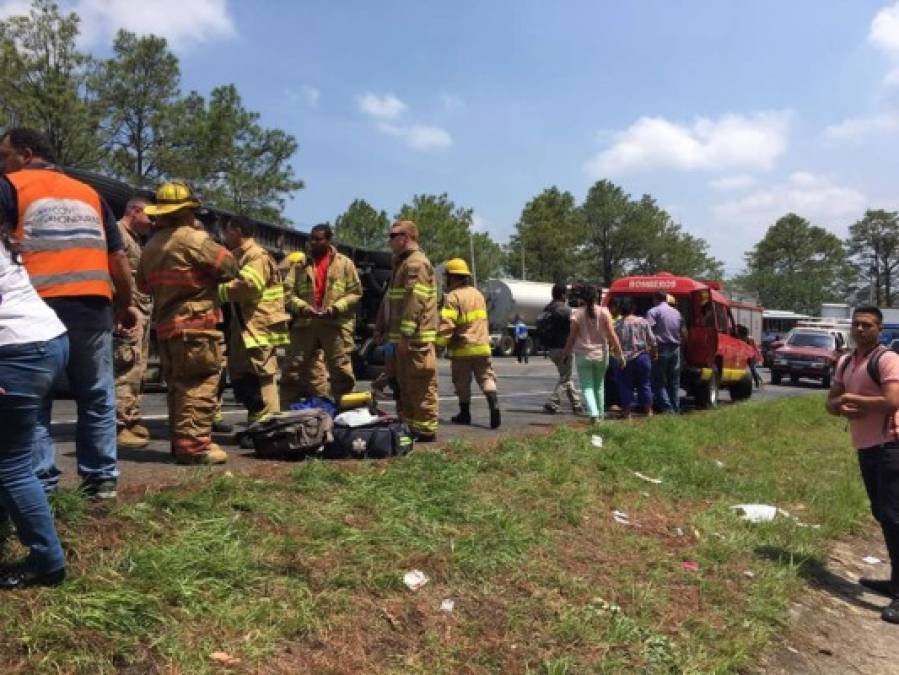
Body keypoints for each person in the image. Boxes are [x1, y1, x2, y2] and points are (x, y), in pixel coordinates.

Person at [0, 128, 137, 499]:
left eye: (4, 156)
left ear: (25, 154)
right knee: (96, 395)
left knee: (36, 399)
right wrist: (125, 303)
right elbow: (118, 257)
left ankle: (43, 485)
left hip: (35, 308)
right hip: (91, 306)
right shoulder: (89, 193)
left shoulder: (10, 186)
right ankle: (101, 480)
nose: (1, 164)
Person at [137, 182, 238, 465]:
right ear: (186, 211)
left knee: (178, 386)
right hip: (196, 325)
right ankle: (195, 448)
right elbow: (230, 267)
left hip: (167, 327)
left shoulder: (151, 246)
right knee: (200, 385)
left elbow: (143, 286)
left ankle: (181, 443)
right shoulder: (194, 240)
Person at [0, 222, 68, 589]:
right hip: (44, 342)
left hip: (17, 352)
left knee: (9, 466)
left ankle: (47, 562)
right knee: (12, 453)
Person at [827, 306, 899, 624]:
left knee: (895, 518)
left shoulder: (886, 359)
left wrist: (852, 401)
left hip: (890, 447)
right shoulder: (846, 361)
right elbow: (831, 401)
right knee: (884, 515)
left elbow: (892, 401)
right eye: (855, 324)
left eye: (867, 325)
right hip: (867, 447)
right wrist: (841, 406)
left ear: (879, 329)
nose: (859, 329)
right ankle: (895, 581)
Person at [218, 216, 289, 425]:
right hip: (245, 325)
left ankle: (268, 426)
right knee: (243, 374)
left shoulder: (256, 255)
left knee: (262, 373)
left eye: (227, 231)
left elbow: (250, 285)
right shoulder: (239, 255)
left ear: (238, 231)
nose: (224, 236)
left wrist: (217, 292)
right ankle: (258, 422)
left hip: (258, 326)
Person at [281, 223, 362, 406]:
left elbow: (355, 293)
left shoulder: (344, 264)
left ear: (328, 240)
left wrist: (336, 308)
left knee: (341, 372)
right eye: (311, 239)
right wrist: (302, 307)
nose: (313, 243)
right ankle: (285, 412)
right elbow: (287, 292)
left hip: (334, 324)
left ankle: (347, 413)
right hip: (306, 323)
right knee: (292, 369)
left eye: (318, 239)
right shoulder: (300, 265)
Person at [381, 220, 438, 441]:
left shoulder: (416, 264)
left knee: (420, 386)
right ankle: (410, 427)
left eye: (392, 235)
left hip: (415, 340)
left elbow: (416, 301)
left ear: (405, 237)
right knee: (404, 386)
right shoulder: (401, 264)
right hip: (401, 340)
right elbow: (391, 300)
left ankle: (425, 431)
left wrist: (405, 335)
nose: (389, 239)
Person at [437, 258, 500, 428]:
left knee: (462, 383)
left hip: (462, 348)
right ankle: (493, 403)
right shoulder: (478, 294)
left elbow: (447, 326)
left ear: (452, 277)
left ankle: (465, 414)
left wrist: (438, 346)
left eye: (446, 277)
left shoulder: (452, 297)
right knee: (486, 377)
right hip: (482, 346)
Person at [114, 197, 154, 449]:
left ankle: (131, 417)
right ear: (135, 211)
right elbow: (114, 273)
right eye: (150, 217)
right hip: (127, 312)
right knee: (125, 365)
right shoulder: (118, 234)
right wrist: (122, 308)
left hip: (140, 311)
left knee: (138, 366)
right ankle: (118, 425)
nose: (152, 223)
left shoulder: (135, 239)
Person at [562, 285, 623, 425]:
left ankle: (593, 414)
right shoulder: (605, 312)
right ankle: (600, 416)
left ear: (582, 298)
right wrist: (620, 354)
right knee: (599, 386)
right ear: (597, 297)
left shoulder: (577, 313)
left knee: (587, 387)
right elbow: (612, 335)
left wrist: (565, 353)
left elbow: (571, 337)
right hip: (601, 354)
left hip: (583, 355)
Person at [277, 250, 328, 397]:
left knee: (311, 368)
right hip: (301, 324)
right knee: (308, 369)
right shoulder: (298, 265)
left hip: (306, 324)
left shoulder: (299, 263)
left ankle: (317, 404)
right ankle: (315, 403)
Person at [541, 284, 585, 416]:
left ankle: (577, 406)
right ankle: (552, 404)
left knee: (565, 377)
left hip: (551, 349)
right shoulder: (566, 310)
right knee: (565, 379)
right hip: (564, 348)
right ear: (563, 295)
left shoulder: (547, 308)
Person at [615, 298, 657, 419]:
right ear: (633, 308)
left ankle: (627, 413)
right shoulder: (643, 322)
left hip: (625, 359)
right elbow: (652, 341)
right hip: (642, 357)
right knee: (645, 384)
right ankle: (648, 411)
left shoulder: (617, 325)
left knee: (625, 385)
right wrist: (654, 354)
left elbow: (613, 343)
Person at [646, 291, 684, 413]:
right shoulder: (677, 312)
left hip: (660, 348)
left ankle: (668, 410)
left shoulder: (653, 312)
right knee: (674, 380)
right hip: (675, 348)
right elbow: (683, 331)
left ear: (655, 298)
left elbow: (649, 332)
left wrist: (651, 349)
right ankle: (675, 407)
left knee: (657, 380)